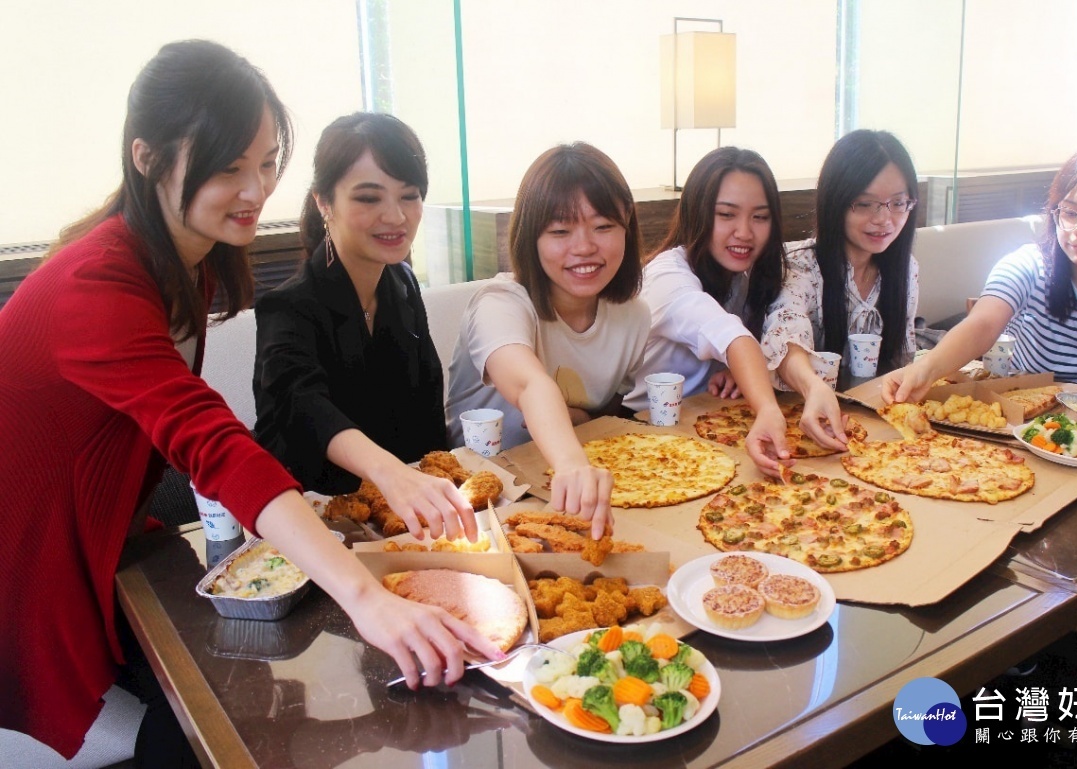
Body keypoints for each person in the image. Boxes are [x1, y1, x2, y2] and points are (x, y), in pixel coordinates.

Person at [0, 41, 499, 764]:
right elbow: (210, 436)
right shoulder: (97, 281)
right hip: (32, 556)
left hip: (113, 535)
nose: (255, 188)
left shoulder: (187, 262)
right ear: (146, 156)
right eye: (229, 166)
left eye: (266, 163)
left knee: (242, 701)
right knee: (196, 734)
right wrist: (366, 597)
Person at [254, 113, 475, 537]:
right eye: (369, 198)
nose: (395, 216)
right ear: (324, 202)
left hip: (404, 523)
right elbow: (302, 407)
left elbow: (427, 413)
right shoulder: (288, 305)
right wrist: (389, 473)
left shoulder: (402, 284)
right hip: (315, 526)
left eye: (409, 196)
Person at [445, 143, 650, 537]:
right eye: (560, 231)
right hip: (480, 503)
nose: (584, 247)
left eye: (603, 226)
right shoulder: (499, 304)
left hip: (568, 490)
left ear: (628, 228)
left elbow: (600, 413)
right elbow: (528, 383)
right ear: (531, 238)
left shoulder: (634, 316)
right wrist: (572, 463)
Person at [883, 143, 1077, 404]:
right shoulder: (1029, 264)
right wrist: (924, 371)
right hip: (1027, 423)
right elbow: (983, 323)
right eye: (1069, 213)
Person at [625, 146, 791, 476]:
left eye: (759, 217)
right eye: (726, 215)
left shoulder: (740, 275)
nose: (744, 232)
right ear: (697, 214)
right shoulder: (668, 277)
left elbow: (746, 344)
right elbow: (728, 334)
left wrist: (741, 370)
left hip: (710, 427)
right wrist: (769, 409)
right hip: (644, 440)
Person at [761, 130, 920, 450]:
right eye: (865, 203)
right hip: (799, 433)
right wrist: (813, 387)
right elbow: (785, 333)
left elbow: (902, 359)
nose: (884, 219)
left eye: (898, 203)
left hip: (877, 434)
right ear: (835, 202)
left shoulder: (906, 270)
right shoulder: (798, 264)